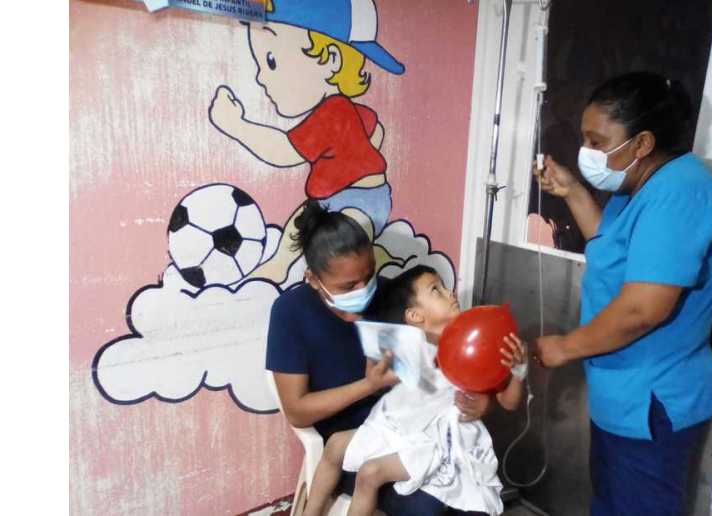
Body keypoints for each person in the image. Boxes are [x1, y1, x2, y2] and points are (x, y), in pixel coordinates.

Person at [532, 71, 712, 516]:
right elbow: (611, 247)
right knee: (610, 503)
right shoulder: (638, 187)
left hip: (653, 401)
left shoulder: (682, 193)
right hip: (623, 394)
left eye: (598, 142)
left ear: (642, 143)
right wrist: (569, 189)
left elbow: (643, 309)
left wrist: (564, 347)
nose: (588, 152)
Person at [266, 201, 495, 516]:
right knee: (425, 506)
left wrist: (476, 401)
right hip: (355, 441)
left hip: (408, 426)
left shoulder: (389, 299)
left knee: (462, 483)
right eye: (349, 285)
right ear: (313, 278)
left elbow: (436, 368)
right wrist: (368, 385)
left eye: (369, 275)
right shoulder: (292, 312)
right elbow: (298, 412)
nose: (364, 289)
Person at [303, 265, 527, 516]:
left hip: (438, 442)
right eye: (437, 290)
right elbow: (381, 380)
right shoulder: (407, 347)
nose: (451, 293)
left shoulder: (475, 341)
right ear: (414, 316)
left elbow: (509, 402)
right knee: (334, 444)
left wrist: (517, 372)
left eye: (445, 287)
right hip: (401, 428)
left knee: (370, 473)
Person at [209, 0, 404, 284]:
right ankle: (279, 264)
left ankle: (368, 263)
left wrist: (236, 125)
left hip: (361, 202)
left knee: (347, 237)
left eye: (272, 62)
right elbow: (376, 129)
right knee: (301, 222)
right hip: (333, 199)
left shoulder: (332, 113)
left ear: (332, 60)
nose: (261, 78)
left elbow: (283, 152)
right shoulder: (344, 110)